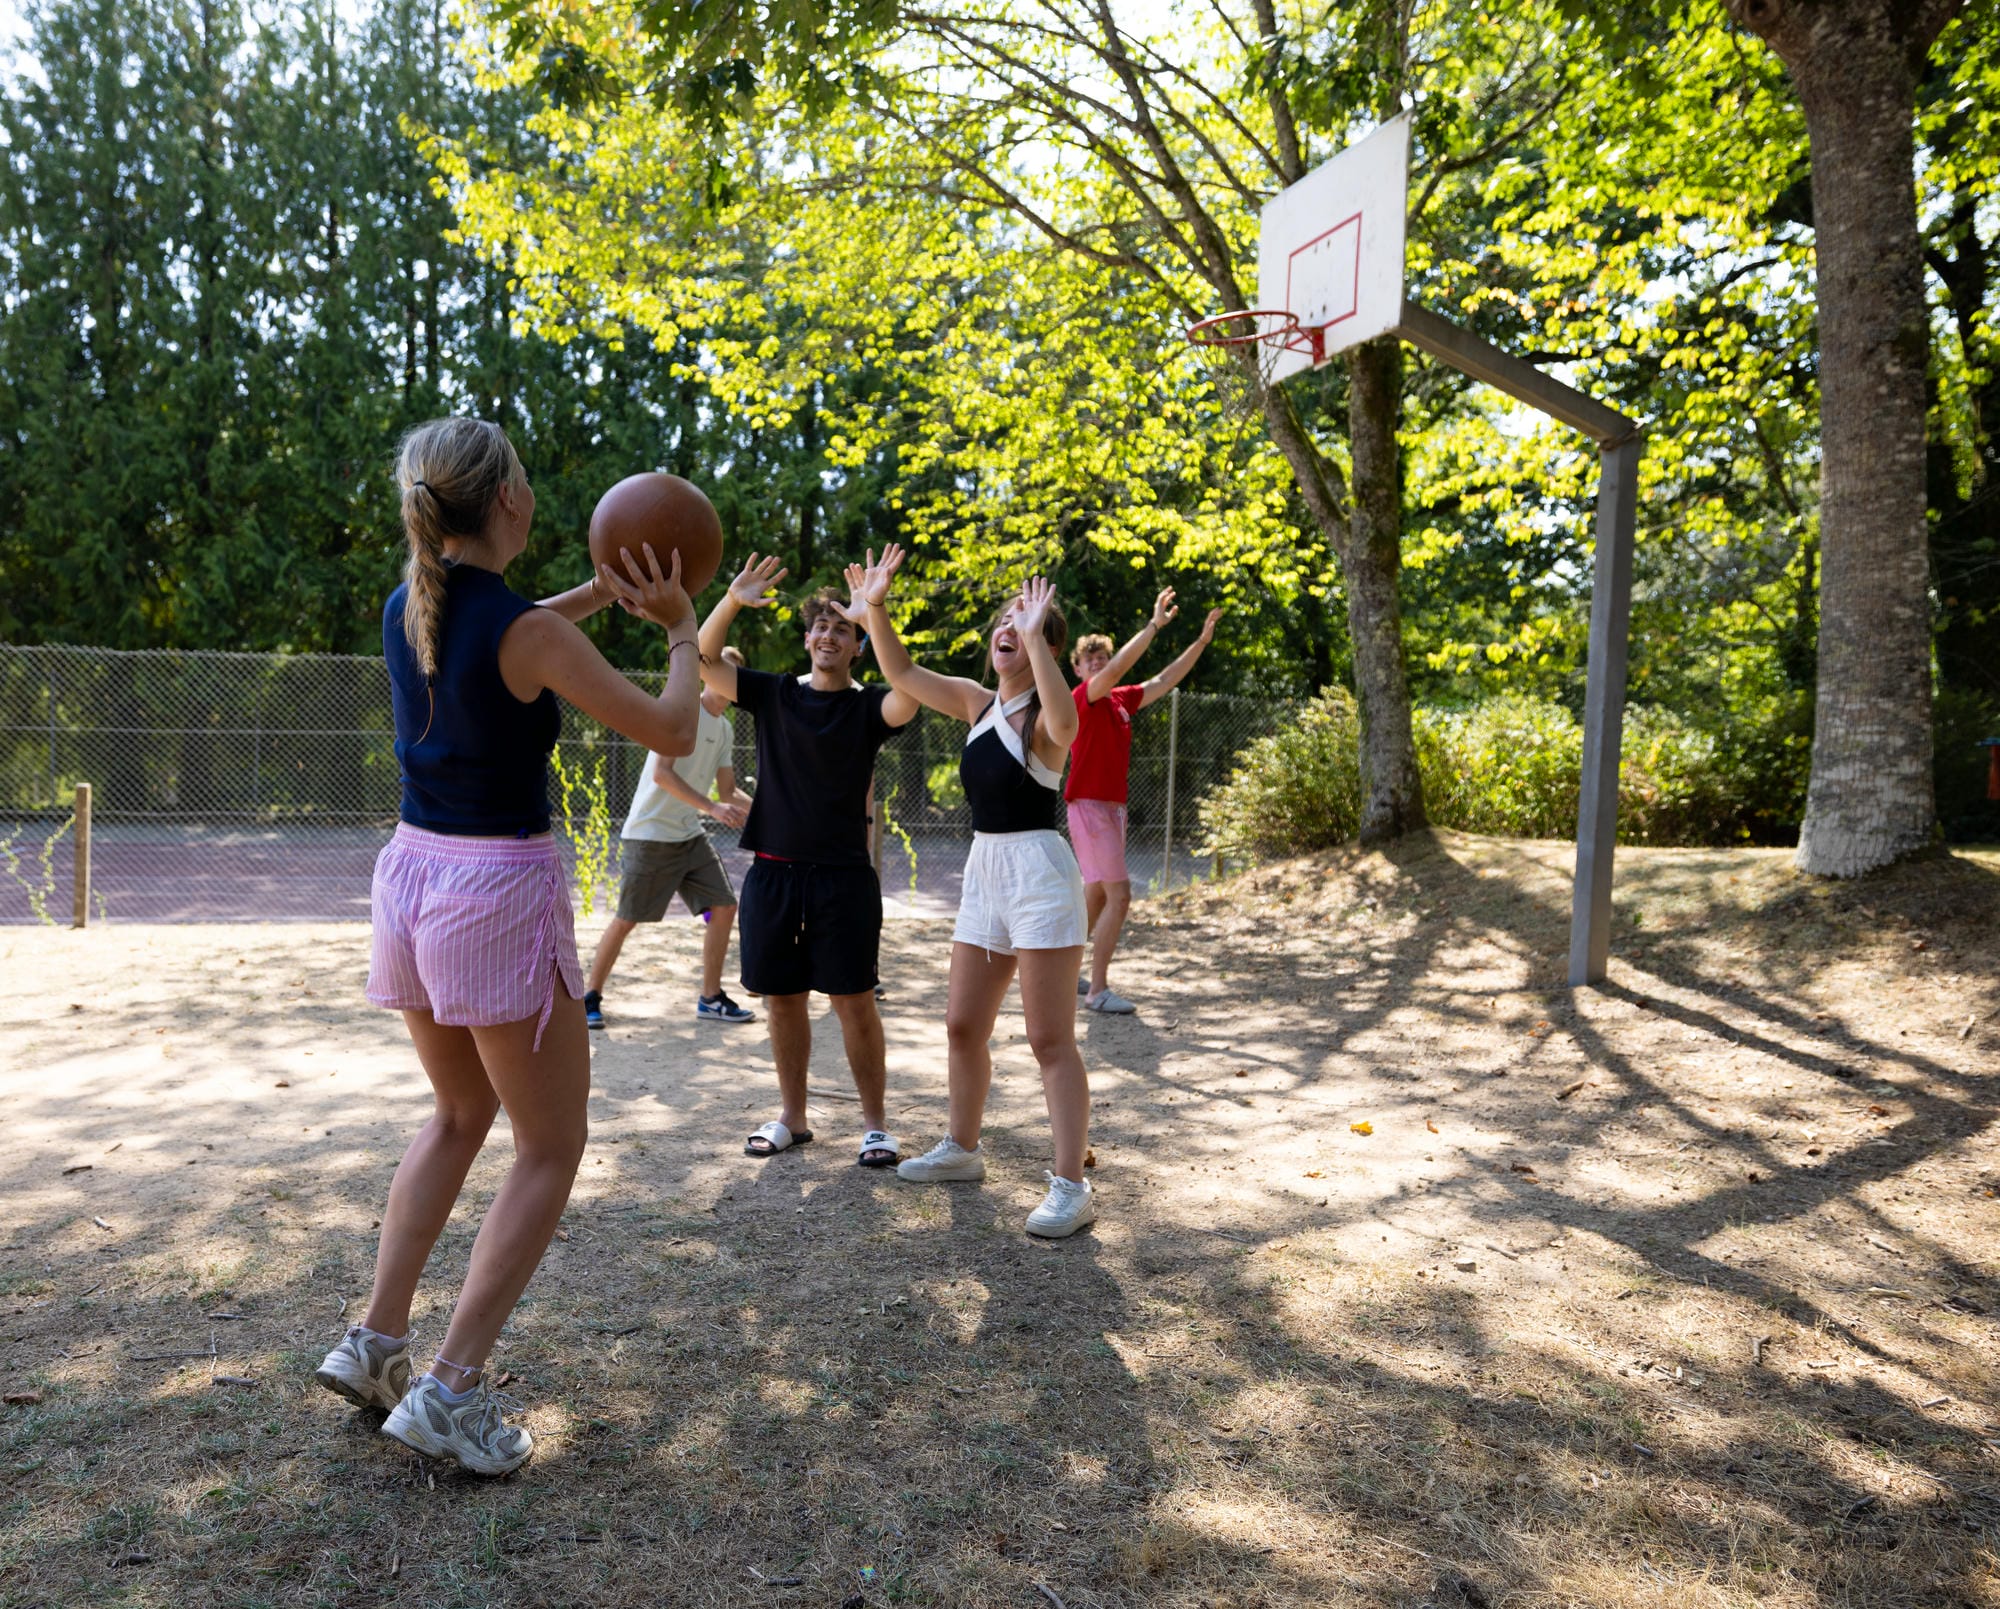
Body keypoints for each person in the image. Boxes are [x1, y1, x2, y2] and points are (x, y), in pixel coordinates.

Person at [313, 417, 703, 1476]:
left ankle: (374, 1342)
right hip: (492, 891)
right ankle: (449, 1391)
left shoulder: (410, 603)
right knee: (549, 1145)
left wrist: (597, 599)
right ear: (508, 503)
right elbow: (673, 728)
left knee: (456, 1113)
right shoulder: (521, 631)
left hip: (413, 875)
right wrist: (681, 629)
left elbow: (516, 635)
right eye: (526, 478)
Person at [846, 544, 1097, 1239]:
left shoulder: (1045, 717)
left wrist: (1039, 636)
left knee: (1049, 1039)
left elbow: (1068, 725)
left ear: (1046, 644)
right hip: (986, 869)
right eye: (1005, 621)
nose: (1008, 628)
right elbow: (899, 672)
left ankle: (1071, 1186)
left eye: (1025, 621)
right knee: (961, 1025)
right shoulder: (974, 701)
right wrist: (875, 607)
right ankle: (962, 1148)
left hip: (1040, 875)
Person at [696, 553, 920, 1167]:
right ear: (806, 639)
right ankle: (793, 1118)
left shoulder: (870, 706)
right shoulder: (774, 694)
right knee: (783, 1000)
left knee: (854, 1001)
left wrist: (874, 612)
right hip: (772, 874)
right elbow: (702, 661)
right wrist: (732, 600)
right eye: (820, 626)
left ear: (857, 646)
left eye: (842, 629)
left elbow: (909, 695)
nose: (829, 635)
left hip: (843, 880)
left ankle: (875, 1126)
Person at [583, 645, 757, 1029]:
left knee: (724, 907)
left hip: (688, 834)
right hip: (650, 835)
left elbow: (728, 792)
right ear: (706, 675)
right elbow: (662, 774)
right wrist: (711, 809)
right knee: (627, 919)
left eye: (733, 674)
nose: (726, 679)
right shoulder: (684, 713)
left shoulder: (724, 728)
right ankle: (590, 996)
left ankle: (710, 998)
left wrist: (769, 809)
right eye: (720, 670)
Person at [1066, 590, 1222, 1014]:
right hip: (1090, 806)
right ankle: (1097, 990)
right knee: (1119, 896)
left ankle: (1064, 972)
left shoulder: (1119, 699)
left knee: (1097, 895)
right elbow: (1120, 667)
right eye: (1090, 660)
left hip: (1110, 809)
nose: (1098, 663)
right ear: (1078, 669)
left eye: (1103, 658)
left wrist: (1201, 642)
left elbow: (1164, 681)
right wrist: (1154, 625)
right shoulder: (1084, 697)